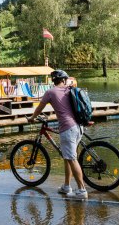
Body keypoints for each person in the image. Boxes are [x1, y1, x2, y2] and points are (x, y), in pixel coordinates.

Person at [28, 69, 88, 199]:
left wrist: (32, 117)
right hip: (78, 127)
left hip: (68, 129)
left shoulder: (50, 92)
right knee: (67, 157)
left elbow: (39, 108)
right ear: (64, 80)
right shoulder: (69, 90)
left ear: (54, 81)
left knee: (71, 159)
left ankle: (82, 190)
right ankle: (66, 186)